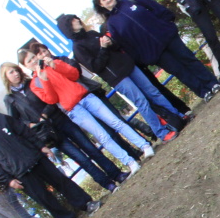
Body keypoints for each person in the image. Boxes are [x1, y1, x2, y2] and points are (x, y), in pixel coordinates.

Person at [0, 103, 98, 218]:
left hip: (35, 157)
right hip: (19, 173)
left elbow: (24, 131)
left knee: (62, 181)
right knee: (44, 198)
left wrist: (41, 146)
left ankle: (86, 204)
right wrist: (8, 180)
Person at [20, 45, 155, 173]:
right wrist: (44, 81)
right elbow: (51, 100)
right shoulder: (34, 84)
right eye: (29, 61)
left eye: (33, 57)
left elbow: (74, 74)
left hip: (86, 97)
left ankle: (144, 145)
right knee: (102, 136)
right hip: (72, 109)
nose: (33, 61)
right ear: (25, 66)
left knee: (115, 122)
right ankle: (129, 162)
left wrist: (56, 66)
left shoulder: (53, 63)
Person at [0, 62, 127, 192]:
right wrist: (30, 124)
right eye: (11, 72)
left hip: (61, 120)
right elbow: (16, 121)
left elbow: (51, 97)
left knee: (90, 148)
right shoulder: (10, 99)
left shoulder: (33, 83)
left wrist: (45, 115)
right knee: (81, 158)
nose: (16, 74)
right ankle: (107, 183)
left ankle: (116, 174)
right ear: (5, 77)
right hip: (48, 133)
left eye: (16, 70)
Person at [56, 13, 184, 139]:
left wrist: (110, 42)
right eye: (72, 20)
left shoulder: (92, 33)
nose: (77, 20)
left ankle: (178, 116)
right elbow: (95, 67)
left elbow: (116, 46)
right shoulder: (78, 48)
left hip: (128, 65)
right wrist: (103, 49)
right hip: (117, 78)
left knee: (153, 92)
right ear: (68, 27)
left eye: (75, 18)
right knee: (141, 102)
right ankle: (161, 132)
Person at [91, 0, 220, 101]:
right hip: (154, 53)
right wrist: (144, 58)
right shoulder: (112, 24)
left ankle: (212, 83)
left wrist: (168, 24)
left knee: (189, 59)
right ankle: (203, 92)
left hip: (168, 37)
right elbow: (126, 45)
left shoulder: (131, 0)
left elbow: (155, 7)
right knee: (179, 71)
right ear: (101, 4)